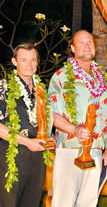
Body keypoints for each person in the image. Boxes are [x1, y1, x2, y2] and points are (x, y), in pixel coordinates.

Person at [48, 30, 107, 207]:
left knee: (88, 202)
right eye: (82, 42)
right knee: (64, 202)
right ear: (73, 48)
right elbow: (52, 113)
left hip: (96, 151)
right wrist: (75, 130)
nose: (87, 46)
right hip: (71, 149)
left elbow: (105, 117)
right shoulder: (61, 76)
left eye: (90, 42)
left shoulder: (102, 80)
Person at [0, 43, 52, 206]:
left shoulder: (41, 89)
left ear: (37, 62)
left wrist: (50, 139)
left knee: (32, 202)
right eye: (24, 60)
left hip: (38, 158)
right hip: (12, 156)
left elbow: (47, 119)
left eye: (33, 60)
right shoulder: (4, 87)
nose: (29, 65)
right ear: (14, 62)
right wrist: (27, 142)